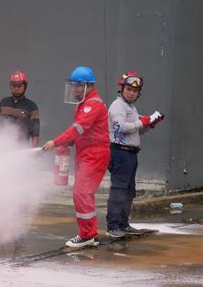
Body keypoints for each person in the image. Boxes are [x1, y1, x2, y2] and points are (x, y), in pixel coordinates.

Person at [43, 66, 109, 248]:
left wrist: (55, 142)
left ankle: (87, 235)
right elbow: (82, 131)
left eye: (78, 85)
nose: (74, 89)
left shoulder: (92, 104)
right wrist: (70, 142)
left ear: (88, 85)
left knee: (81, 192)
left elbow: (78, 128)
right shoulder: (85, 104)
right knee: (84, 193)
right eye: (73, 85)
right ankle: (90, 234)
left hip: (94, 154)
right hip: (86, 153)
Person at [105, 71, 164, 238]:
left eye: (135, 90)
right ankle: (113, 226)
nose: (132, 93)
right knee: (119, 189)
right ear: (122, 88)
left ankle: (123, 224)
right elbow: (119, 128)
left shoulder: (130, 107)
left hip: (130, 154)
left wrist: (149, 125)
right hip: (120, 153)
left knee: (129, 191)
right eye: (129, 89)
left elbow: (133, 132)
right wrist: (141, 122)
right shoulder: (118, 106)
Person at [0, 70, 40, 147]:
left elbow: (35, 133)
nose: (16, 89)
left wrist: (34, 151)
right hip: (2, 146)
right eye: (14, 86)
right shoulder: (3, 102)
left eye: (19, 86)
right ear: (10, 86)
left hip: (22, 147)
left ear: (25, 86)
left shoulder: (32, 106)